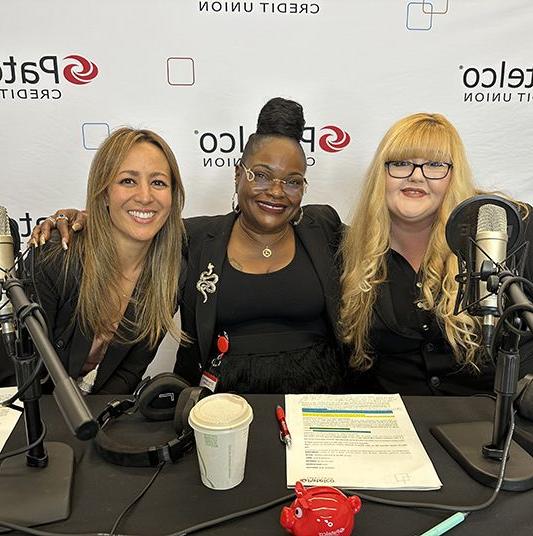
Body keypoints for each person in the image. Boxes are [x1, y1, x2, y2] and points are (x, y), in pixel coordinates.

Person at [29, 98, 347, 394]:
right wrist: (85, 219)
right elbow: (138, 224)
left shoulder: (323, 226)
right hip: (218, 405)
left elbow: (375, 242)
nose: (277, 191)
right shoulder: (191, 238)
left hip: (321, 401)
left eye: (293, 181)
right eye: (261, 175)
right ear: (238, 174)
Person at [340, 112, 533, 396]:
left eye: (434, 165)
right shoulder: (352, 247)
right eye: (401, 163)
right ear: (381, 174)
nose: (416, 176)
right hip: (398, 426)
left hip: (496, 420)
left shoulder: (509, 227)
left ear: (454, 175)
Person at [29, 127, 186, 394]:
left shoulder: (170, 274)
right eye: (128, 181)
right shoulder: (55, 256)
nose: (145, 196)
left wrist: (97, 422)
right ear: (103, 193)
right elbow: (22, 369)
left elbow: (129, 372)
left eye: (158, 182)